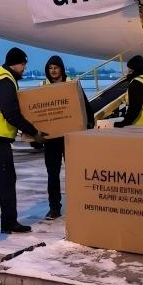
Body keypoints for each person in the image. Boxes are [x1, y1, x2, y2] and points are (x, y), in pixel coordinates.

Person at [0, 47, 46, 233]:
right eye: (23, 64)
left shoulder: (3, 75)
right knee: (6, 179)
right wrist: (34, 132)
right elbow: (11, 114)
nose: (24, 68)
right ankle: (9, 222)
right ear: (15, 64)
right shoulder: (5, 81)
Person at [41, 55, 93, 220]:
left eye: (56, 67)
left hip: (70, 137)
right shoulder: (42, 87)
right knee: (52, 174)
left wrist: (89, 124)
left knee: (75, 173)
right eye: (50, 68)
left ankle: (79, 205)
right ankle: (54, 207)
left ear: (62, 69)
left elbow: (85, 105)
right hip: (51, 139)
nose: (53, 71)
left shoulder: (73, 85)